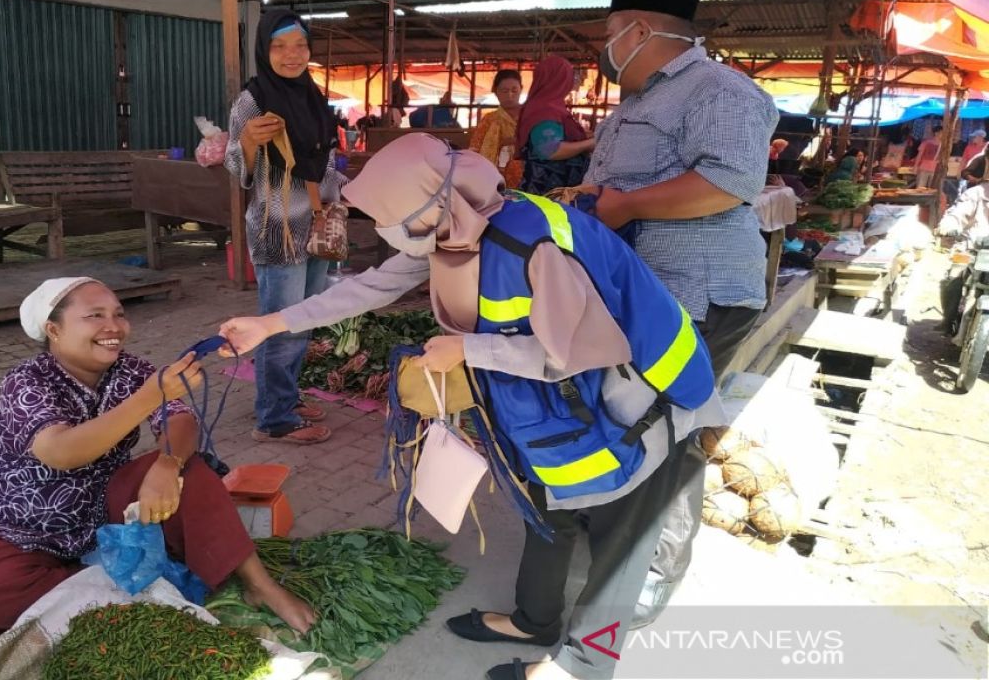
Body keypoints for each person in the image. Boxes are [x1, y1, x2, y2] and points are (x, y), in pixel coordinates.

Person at [218, 134, 728, 680]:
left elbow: (578, 355)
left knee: (621, 537)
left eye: (388, 220)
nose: (385, 234)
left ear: (427, 208)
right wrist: (269, 324)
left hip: (645, 394)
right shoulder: (458, 226)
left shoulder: (531, 247)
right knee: (546, 498)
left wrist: (467, 348)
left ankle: (581, 665)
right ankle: (536, 620)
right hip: (569, 400)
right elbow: (372, 287)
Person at [560, 0, 778, 629]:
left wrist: (625, 205)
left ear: (641, 32)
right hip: (643, 293)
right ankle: (622, 548)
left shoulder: (722, 92)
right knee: (645, 424)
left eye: (609, 35)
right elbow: (616, 183)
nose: (606, 48)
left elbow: (728, 183)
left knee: (664, 438)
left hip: (700, 295)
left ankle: (646, 576)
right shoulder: (634, 100)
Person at [0, 278, 316, 636]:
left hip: (103, 511)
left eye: (119, 314)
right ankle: (115, 585)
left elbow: (181, 419)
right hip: (22, 532)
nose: (114, 327)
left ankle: (259, 585)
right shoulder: (25, 381)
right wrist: (151, 395)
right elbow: (62, 452)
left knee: (191, 470)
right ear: (53, 330)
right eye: (95, 315)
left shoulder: (129, 370)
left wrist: (167, 463)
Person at [224, 8, 345, 445]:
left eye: (300, 45)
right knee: (281, 325)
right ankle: (273, 419)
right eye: (279, 45)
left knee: (304, 320)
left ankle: (286, 397)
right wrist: (247, 142)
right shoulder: (252, 101)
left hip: (315, 224)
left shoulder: (312, 94)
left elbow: (324, 160)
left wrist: (344, 194)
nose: (291, 54)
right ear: (263, 49)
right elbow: (239, 172)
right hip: (278, 231)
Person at [517, 56, 595, 195]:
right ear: (558, 79)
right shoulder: (546, 110)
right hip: (550, 190)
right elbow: (551, 150)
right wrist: (589, 144)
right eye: (568, 76)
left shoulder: (548, 106)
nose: (571, 81)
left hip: (552, 187)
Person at [937, 184, 989, 335]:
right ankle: (948, 320)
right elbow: (958, 213)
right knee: (953, 276)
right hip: (973, 249)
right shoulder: (976, 193)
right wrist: (948, 224)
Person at [469, 69, 524, 187]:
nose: (510, 95)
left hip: (528, 175)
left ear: (521, 89)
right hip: (495, 177)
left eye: (514, 90)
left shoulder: (530, 116)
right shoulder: (489, 120)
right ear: (495, 91)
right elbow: (475, 151)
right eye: (504, 91)